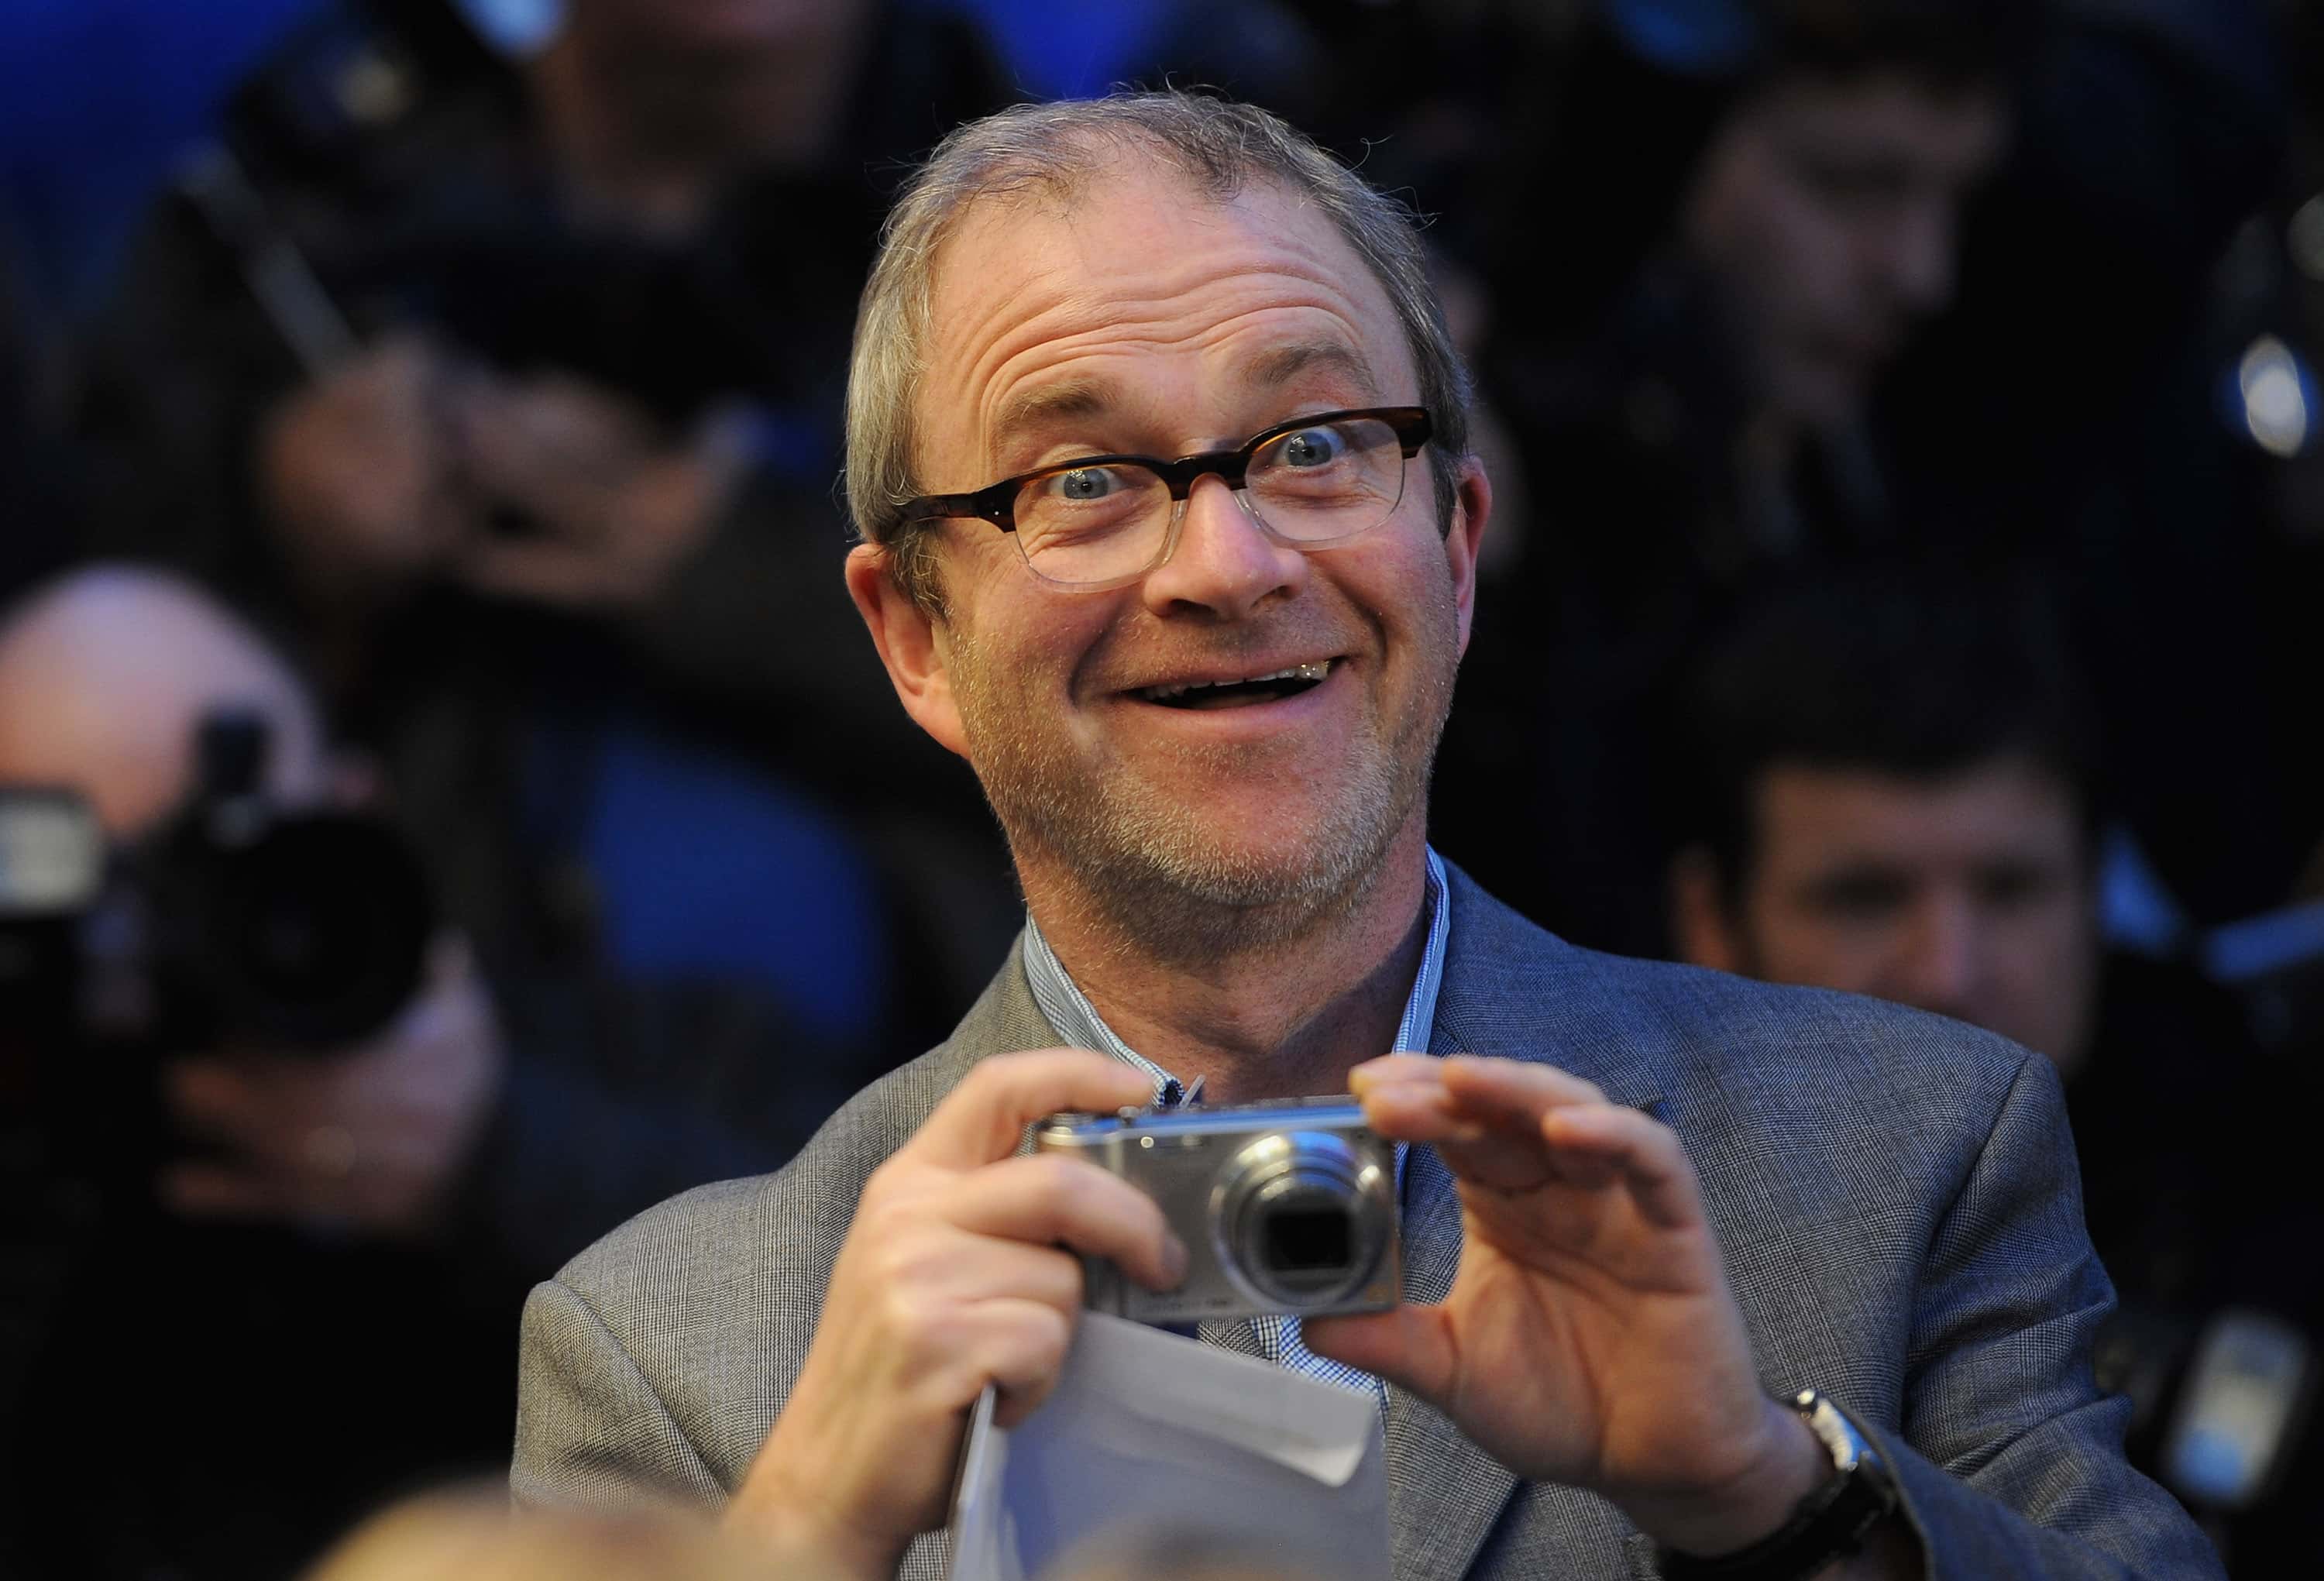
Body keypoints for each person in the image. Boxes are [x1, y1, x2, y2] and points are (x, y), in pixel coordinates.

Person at [513, 92, 2218, 1579]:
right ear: (915, 640)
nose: (1230, 563)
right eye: (1086, 479)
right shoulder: (674, 1351)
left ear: (1457, 551)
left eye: (1320, 445)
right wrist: (804, 1539)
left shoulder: (1912, 1152)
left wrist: (1767, 1501)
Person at [1663, 564, 2323, 1572]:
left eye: (2011, 889)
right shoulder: (1602, 1229)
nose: (1948, 971)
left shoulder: (2276, 1182)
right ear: (1714, 923)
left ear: (2097, 894)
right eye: (1865, 897)